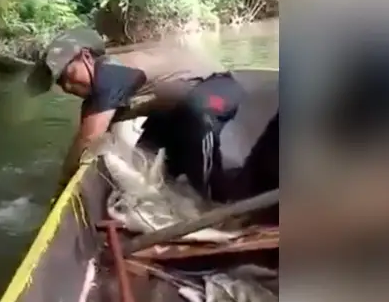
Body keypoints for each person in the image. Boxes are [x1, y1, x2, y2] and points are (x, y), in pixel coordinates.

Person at [27, 27, 251, 202]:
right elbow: (81, 144)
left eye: (68, 74)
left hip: (218, 89)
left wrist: (61, 185)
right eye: (60, 83)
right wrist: (63, 186)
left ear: (86, 57)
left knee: (196, 113)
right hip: (173, 111)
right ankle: (176, 191)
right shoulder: (97, 98)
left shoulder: (109, 71)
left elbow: (89, 139)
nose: (67, 86)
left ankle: (217, 201)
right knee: (145, 155)